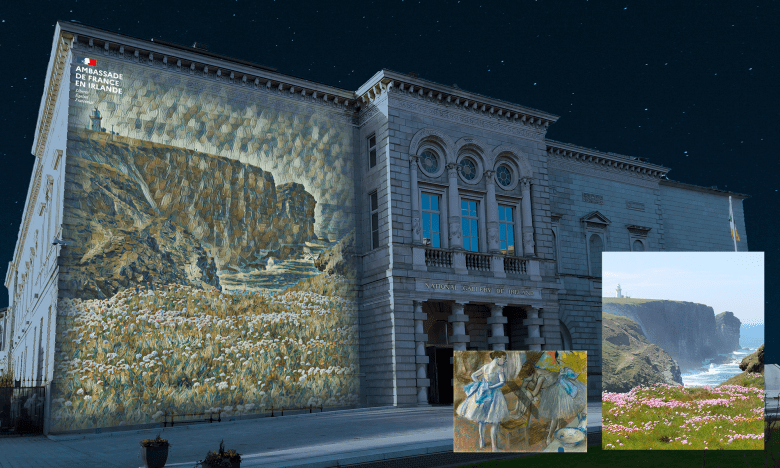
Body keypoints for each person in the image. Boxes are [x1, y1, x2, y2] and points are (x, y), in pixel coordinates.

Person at [527, 351, 587, 444]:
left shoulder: (540, 377)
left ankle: (549, 437)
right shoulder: (542, 372)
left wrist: (528, 394)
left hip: (558, 390)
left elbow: (535, 391)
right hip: (555, 388)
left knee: (555, 416)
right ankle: (557, 430)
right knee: (557, 414)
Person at [456, 351, 509, 451]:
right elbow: (503, 382)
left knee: (482, 419)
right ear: (497, 358)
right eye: (504, 358)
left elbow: (473, 376)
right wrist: (491, 387)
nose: (505, 361)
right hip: (494, 395)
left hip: (483, 393)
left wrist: (481, 384)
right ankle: (494, 447)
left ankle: (482, 442)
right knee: (495, 422)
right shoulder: (500, 368)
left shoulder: (485, 367)